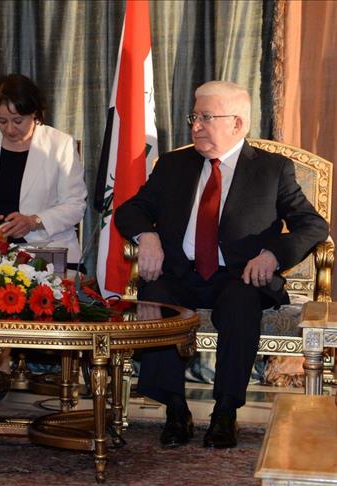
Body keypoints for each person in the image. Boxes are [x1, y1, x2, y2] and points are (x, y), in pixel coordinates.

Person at [115, 81, 328, 449]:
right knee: (155, 294)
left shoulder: (272, 169)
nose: (196, 126)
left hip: (239, 276)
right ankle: (175, 410)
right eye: (194, 117)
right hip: (181, 273)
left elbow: (312, 225)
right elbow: (131, 210)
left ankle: (225, 412)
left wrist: (273, 254)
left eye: (206, 117)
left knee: (241, 302)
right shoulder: (173, 165)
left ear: (237, 123)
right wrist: (147, 237)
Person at [0, 73, 87, 266]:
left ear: (34, 113)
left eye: (18, 121)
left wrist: (34, 221)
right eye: (2, 121)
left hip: (49, 254)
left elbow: (75, 205)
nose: (10, 129)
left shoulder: (60, 145)